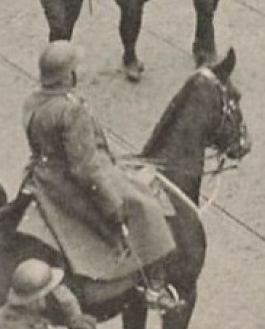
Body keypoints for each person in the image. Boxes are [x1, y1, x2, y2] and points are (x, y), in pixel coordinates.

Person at [21, 42, 176, 295]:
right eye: (74, 69)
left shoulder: (33, 99)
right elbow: (85, 168)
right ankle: (154, 285)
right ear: (67, 75)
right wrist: (112, 204)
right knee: (147, 206)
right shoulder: (70, 110)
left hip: (42, 173)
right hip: (68, 178)